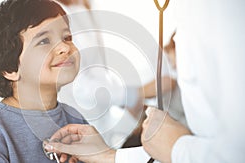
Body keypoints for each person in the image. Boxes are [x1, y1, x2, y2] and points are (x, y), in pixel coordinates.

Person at [44, 0, 245, 162]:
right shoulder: (61, 13)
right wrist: (136, 95)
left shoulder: (218, 11)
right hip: (96, 124)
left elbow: (233, 151)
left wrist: (176, 147)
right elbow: (85, 86)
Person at [0, 0, 88, 162]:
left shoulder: (75, 120)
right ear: (10, 68)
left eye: (67, 37)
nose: (64, 47)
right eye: (44, 41)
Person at [56, 0, 184, 149]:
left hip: (106, 122)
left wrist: (134, 100)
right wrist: (136, 93)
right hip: (87, 121)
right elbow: (81, 86)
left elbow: (97, 74)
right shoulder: (61, 15)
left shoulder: (84, 7)